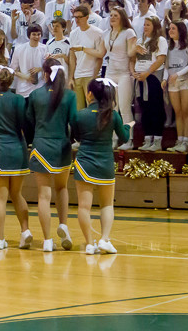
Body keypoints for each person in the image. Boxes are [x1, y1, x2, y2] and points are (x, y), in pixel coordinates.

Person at [72, 78, 131, 254]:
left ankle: (90, 244)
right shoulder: (113, 115)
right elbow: (124, 138)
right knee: (107, 205)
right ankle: (104, 239)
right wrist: (127, 127)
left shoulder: (80, 115)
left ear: (89, 94)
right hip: (105, 164)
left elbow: (76, 137)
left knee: (84, 207)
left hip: (84, 164)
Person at [26, 59, 76, 251]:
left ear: (45, 74)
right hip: (61, 146)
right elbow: (74, 122)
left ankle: (47, 240)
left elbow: (29, 120)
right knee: (62, 188)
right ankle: (63, 225)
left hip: (40, 146)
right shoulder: (69, 95)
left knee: (44, 195)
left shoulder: (35, 94)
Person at [0, 66, 32, 250]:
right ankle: (25, 231)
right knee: (17, 194)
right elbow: (25, 123)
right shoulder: (18, 99)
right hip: (17, 148)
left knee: (0, 197)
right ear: (11, 80)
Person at [130, 16, 168, 151]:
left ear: (155, 27)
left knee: (155, 108)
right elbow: (132, 59)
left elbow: (160, 59)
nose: (145, 27)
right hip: (140, 78)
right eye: (144, 24)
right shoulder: (140, 41)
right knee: (144, 108)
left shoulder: (160, 40)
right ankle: (147, 139)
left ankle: (157, 140)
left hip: (153, 77)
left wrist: (147, 72)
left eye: (148, 25)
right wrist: (133, 72)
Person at [103, 7, 137, 149]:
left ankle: (129, 140)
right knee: (111, 109)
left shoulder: (128, 32)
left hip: (124, 73)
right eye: (111, 15)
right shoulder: (106, 33)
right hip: (110, 73)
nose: (112, 18)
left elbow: (131, 54)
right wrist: (82, 49)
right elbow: (101, 53)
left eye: (116, 15)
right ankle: (113, 139)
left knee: (124, 108)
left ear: (122, 17)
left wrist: (137, 47)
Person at [163, 20, 188, 153]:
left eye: (173, 28)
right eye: (169, 28)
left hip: (185, 81)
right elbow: (166, 66)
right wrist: (164, 79)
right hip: (172, 82)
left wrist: (178, 74)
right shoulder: (167, 47)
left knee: (186, 111)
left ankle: (186, 141)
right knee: (178, 112)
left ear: (180, 31)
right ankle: (179, 140)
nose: (170, 31)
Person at [69, 5, 106, 110]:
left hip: (91, 74)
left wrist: (94, 77)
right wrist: (71, 77)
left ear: (87, 17)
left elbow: (100, 57)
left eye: (80, 17)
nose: (77, 20)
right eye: (75, 17)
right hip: (78, 75)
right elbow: (72, 57)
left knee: (93, 108)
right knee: (79, 110)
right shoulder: (73, 33)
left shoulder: (97, 33)